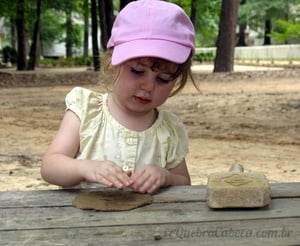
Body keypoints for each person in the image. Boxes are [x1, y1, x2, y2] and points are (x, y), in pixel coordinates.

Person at [41, 0, 198, 194]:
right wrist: (85, 168)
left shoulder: (169, 131)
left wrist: (166, 177)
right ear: (112, 62)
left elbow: (184, 183)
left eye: (163, 79)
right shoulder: (86, 111)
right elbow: (50, 166)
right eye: (137, 71)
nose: (148, 86)